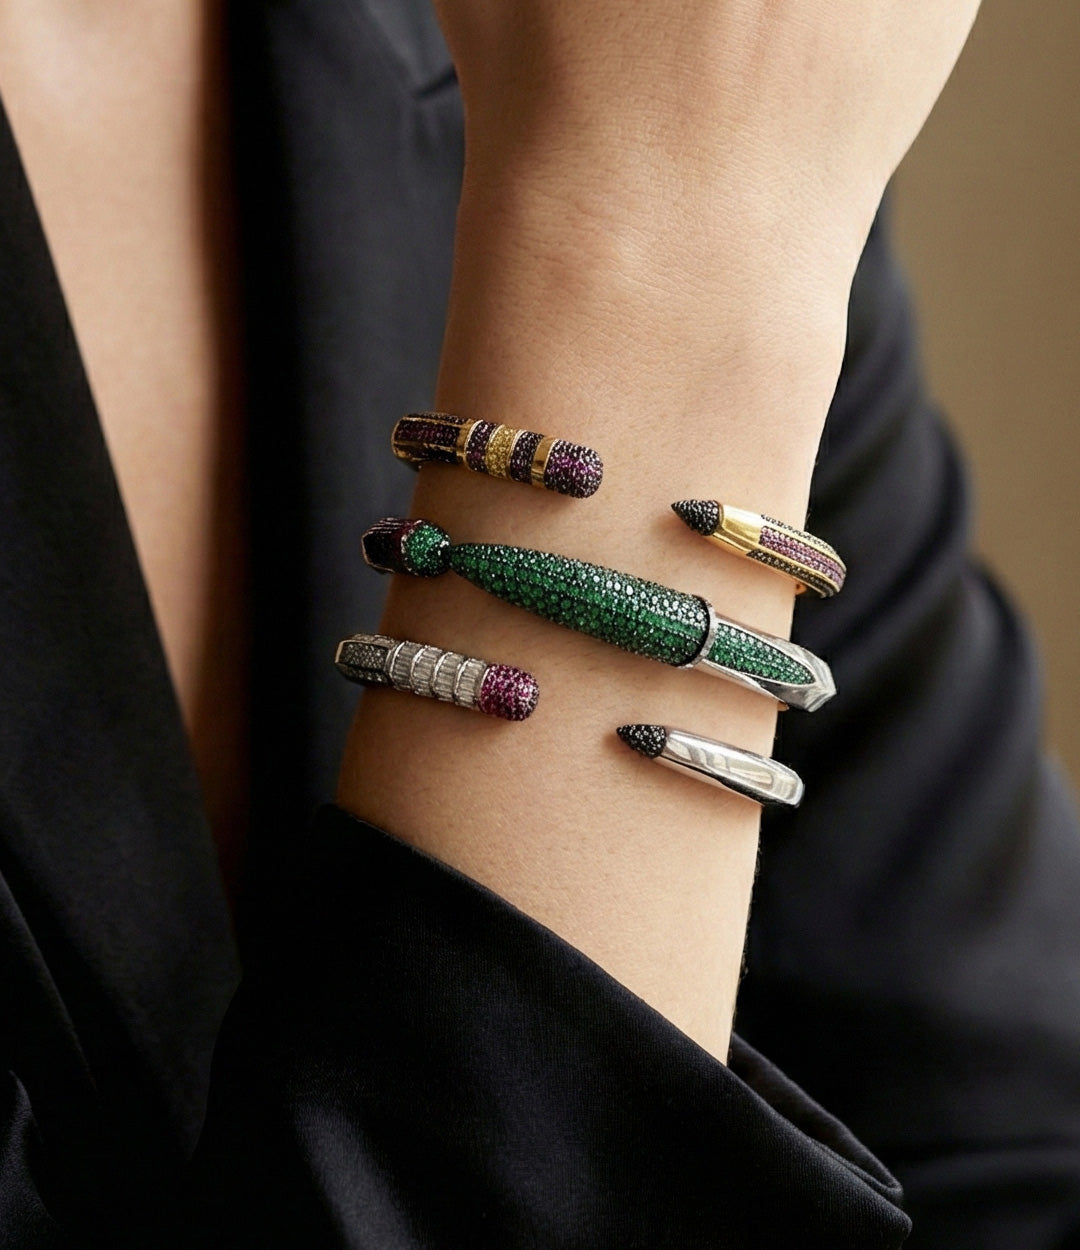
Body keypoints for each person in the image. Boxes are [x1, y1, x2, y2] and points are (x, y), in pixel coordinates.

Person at [1, 0, 1079, 1245]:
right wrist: (641, 257)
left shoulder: (657, 48)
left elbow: (1003, 1151)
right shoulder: (668, 135)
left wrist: (689, 213)